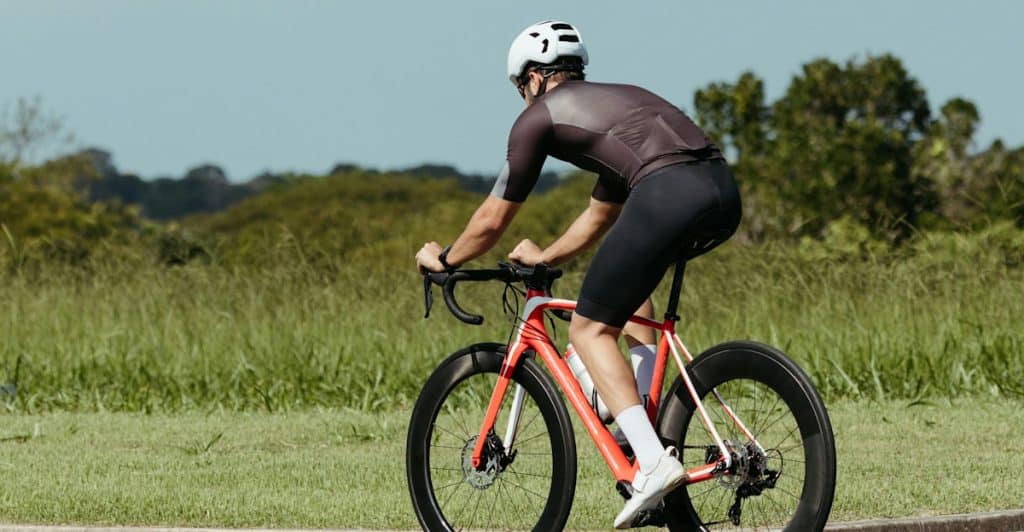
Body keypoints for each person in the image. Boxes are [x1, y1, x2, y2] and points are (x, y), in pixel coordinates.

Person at [415, 20, 741, 529]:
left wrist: (447, 258)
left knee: (588, 330)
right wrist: (546, 256)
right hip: (721, 191)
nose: (522, 98)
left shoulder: (537, 119)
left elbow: (494, 218)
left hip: (666, 191)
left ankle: (652, 463)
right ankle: (643, 427)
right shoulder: (616, 110)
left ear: (534, 77)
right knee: (630, 303)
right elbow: (598, 215)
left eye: (520, 87)